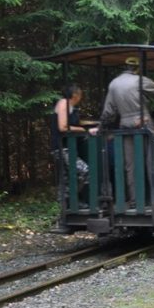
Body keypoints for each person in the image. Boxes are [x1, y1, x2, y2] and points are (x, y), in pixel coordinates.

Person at [100, 56, 154, 209]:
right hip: (143, 125)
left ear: (125, 67)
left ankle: (134, 201)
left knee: (130, 165)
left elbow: (108, 111)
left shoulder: (113, 84)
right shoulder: (139, 80)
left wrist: (101, 126)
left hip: (125, 127)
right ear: (137, 68)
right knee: (152, 162)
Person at [52, 85, 98, 228]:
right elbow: (63, 127)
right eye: (81, 95)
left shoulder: (70, 107)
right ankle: (73, 201)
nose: (81, 98)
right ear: (75, 95)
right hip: (62, 148)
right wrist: (82, 129)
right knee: (85, 171)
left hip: (67, 148)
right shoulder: (63, 104)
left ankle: (65, 210)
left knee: (66, 179)